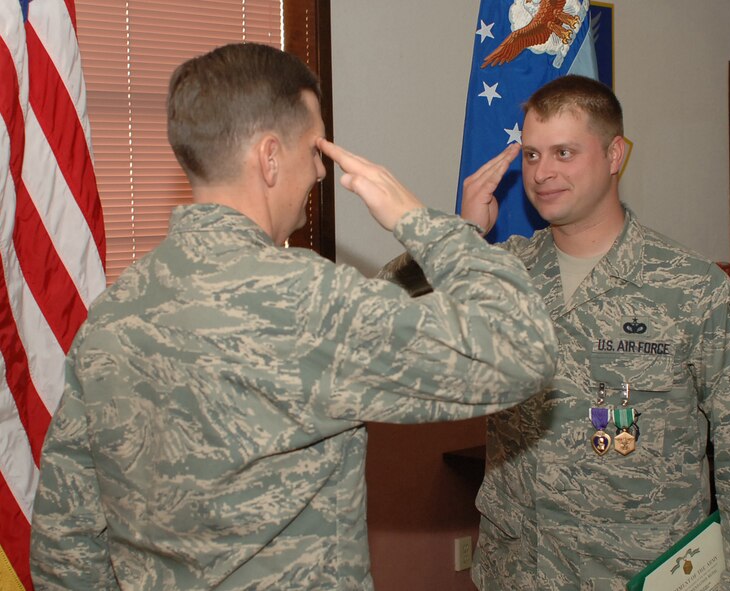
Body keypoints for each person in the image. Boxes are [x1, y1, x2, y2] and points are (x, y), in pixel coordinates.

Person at [29, 42, 559, 590]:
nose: (321, 173)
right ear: (269, 157)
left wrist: (459, 231)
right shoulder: (309, 304)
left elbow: (66, 541)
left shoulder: (116, 312)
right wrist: (419, 220)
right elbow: (523, 350)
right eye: (315, 150)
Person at [382, 74, 730, 590]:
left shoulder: (691, 288)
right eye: (531, 155)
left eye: (564, 153)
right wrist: (458, 236)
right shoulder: (503, 274)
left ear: (614, 154)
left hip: (636, 574)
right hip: (517, 573)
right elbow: (380, 319)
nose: (542, 173)